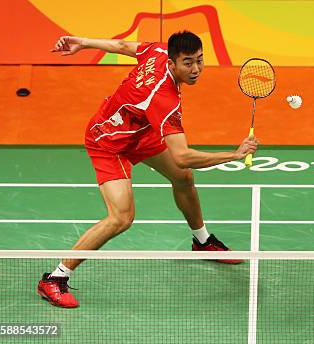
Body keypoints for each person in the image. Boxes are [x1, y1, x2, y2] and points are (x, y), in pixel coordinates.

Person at [37, 31, 257, 308]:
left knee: (183, 178)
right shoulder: (163, 100)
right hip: (109, 141)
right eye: (188, 63)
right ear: (173, 62)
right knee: (121, 217)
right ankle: (55, 279)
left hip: (139, 130)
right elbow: (183, 155)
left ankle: (202, 242)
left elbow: (122, 45)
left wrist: (84, 42)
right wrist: (234, 155)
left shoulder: (158, 51)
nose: (196, 69)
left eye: (200, 60)